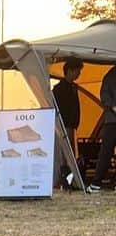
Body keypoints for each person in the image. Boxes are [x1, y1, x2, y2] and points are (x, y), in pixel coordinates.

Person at [52, 59, 83, 191]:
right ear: (69, 71)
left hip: (71, 125)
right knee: (63, 155)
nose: (78, 74)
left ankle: (70, 181)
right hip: (63, 126)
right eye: (77, 71)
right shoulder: (58, 89)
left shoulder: (73, 87)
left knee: (70, 154)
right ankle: (61, 180)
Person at [90, 64, 116, 192]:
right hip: (112, 121)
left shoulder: (109, 76)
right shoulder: (110, 76)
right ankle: (96, 183)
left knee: (106, 152)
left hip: (111, 120)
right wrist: (113, 107)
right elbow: (105, 98)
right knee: (106, 152)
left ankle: (96, 183)